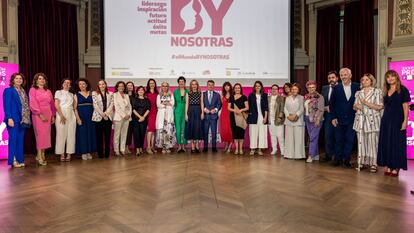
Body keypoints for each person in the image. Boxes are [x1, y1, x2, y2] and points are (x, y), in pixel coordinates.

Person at [378, 70, 410, 177]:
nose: (390, 79)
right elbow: (384, 106)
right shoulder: (386, 90)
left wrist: (405, 121)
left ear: (396, 77)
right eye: (388, 77)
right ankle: (388, 164)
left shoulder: (403, 89)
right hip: (386, 120)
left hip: (398, 120)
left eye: (392, 76)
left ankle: (396, 166)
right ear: (386, 79)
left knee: (397, 143)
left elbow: (406, 107)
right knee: (387, 142)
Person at [353, 74, 383, 172]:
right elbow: (354, 106)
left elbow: (380, 106)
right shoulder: (358, 92)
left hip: (372, 120)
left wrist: (366, 103)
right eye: (363, 80)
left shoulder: (376, 92)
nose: (364, 81)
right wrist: (357, 106)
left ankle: (373, 163)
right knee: (361, 142)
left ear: (371, 81)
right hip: (360, 120)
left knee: (372, 142)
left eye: (367, 79)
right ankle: (362, 162)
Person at [329, 68, 359, 167]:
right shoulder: (336, 88)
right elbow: (332, 104)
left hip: (352, 119)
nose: (343, 77)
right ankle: (338, 159)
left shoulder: (357, 87)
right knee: (338, 140)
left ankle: (346, 159)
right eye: (342, 75)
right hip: (338, 119)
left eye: (345, 75)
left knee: (349, 140)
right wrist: (333, 117)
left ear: (350, 75)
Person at [3, 73, 31, 168]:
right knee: (13, 140)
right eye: (17, 78)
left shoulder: (23, 91)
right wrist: (9, 118)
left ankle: (20, 159)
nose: (19, 80)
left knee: (20, 140)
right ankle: (13, 160)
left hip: (23, 120)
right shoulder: (8, 91)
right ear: (13, 80)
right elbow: (6, 106)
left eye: (20, 78)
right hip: (13, 119)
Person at [29, 73, 55, 166]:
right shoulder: (33, 90)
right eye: (40, 79)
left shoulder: (48, 91)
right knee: (40, 135)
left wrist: (53, 116)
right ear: (36, 80)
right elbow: (32, 103)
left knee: (46, 136)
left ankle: (42, 154)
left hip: (48, 114)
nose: (42, 80)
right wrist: (40, 114)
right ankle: (40, 155)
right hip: (38, 115)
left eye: (43, 79)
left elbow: (52, 104)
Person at [74, 78, 97, 160]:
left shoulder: (91, 94)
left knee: (90, 134)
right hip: (81, 117)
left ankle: (89, 152)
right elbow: (75, 108)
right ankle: (83, 152)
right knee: (82, 134)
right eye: (80, 84)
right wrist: (78, 119)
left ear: (86, 85)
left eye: (83, 84)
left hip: (91, 117)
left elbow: (95, 106)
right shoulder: (76, 95)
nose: (82, 85)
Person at [55, 78, 76, 162]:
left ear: (70, 85)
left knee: (71, 134)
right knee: (61, 134)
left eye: (68, 83)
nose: (66, 84)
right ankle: (61, 153)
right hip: (61, 112)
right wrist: (61, 115)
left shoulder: (72, 94)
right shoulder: (58, 92)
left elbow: (74, 106)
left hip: (71, 113)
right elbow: (56, 104)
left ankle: (69, 153)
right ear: (62, 84)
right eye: (65, 82)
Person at [92, 80, 114, 159]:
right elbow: (95, 105)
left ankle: (107, 153)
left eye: (103, 84)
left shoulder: (111, 94)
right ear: (98, 86)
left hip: (108, 118)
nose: (102, 85)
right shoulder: (94, 93)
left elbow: (112, 104)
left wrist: (106, 114)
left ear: (105, 85)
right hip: (98, 117)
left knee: (107, 137)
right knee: (99, 137)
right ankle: (100, 154)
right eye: (100, 84)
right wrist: (102, 114)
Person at [304, 80, 324, 163]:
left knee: (312, 138)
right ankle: (316, 155)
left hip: (316, 119)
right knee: (313, 138)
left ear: (315, 87)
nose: (311, 89)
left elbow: (321, 109)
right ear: (307, 88)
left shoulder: (319, 97)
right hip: (307, 119)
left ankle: (310, 155)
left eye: (313, 87)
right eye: (309, 87)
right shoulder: (306, 96)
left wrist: (318, 119)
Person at [284, 83, 305, 159]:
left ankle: (299, 155)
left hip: (298, 120)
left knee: (298, 138)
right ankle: (288, 155)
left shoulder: (301, 98)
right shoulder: (287, 98)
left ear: (298, 90)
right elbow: (285, 108)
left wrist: (296, 116)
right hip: (289, 120)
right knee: (289, 138)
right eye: (292, 89)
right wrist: (288, 116)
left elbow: (302, 108)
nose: (294, 90)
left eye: (295, 89)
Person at [321, 71, 339, 162]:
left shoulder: (341, 87)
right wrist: (324, 108)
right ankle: (328, 155)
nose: (331, 79)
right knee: (328, 136)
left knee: (338, 136)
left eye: (333, 77)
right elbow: (321, 102)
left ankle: (337, 156)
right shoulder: (324, 88)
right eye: (329, 78)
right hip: (328, 116)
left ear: (337, 78)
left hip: (339, 116)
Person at [247, 81, 268, 155]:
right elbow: (248, 107)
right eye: (256, 86)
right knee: (253, 133)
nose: (257, 87)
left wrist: (265, 117)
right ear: (254, 87)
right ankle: (252, 149)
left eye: (259, 86)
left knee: (262, 133)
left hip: (262, 117)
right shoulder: (251, 95)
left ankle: (259, 149)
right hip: (253, 117)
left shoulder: (264, 95)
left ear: (261, 87)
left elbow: (266, 108)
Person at [228, 83, 249, 155]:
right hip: (233, 117)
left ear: (240, 89)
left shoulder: (244, 97)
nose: (237, 89)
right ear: (234, 89)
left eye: (238, 88)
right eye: (236, 88)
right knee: (235, 133)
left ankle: (241, 149)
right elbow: (229, 108)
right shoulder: (231, 97)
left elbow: (247, 107)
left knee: (241, 133)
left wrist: (240, 110)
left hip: (241, 117)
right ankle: (237, 149)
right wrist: (234, 110)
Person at [156, 81, 176, 153]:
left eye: (166, 86)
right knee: (162, 132)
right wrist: (166, 104)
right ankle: (163, 147)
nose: (164, 87)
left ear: (168, 87)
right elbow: (158, 105)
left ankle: (167, 147)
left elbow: (173, 104)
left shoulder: (171, 95)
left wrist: (164, 103)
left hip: (169, 116)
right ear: (161, 87)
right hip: (161, 116)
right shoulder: (159, 95)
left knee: (168, 132)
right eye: (163, 86)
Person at [113, 81, 132, 156]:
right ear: (117, 87)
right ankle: (116, 150)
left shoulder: (126, 95)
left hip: (127, 117)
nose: (121, 87)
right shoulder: (115, 95)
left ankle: (122, 149)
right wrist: (124, 115)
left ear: (124, 87)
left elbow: (130, 106)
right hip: (119, 117)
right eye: (119, 86)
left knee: (124, 134)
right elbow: (117, 107)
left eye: (122, 86)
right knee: (117, 135)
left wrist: (129, 114)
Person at [185, 80, 204, 153]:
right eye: (192, 84)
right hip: (190, 111)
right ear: (191, 85)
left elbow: (202, 103)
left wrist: (202, 113)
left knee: (197, 128)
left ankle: (197, 145)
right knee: (191, 128)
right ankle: (192, 146)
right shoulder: (188, 93)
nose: (194, 86)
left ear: (197, 85)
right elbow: (187, 104)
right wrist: (186, 114)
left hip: (198, 110)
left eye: (195, 84)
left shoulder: (200, 93)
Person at [203, 80, 221, 153]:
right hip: (206, 116)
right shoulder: (203, 94)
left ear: (214, 86)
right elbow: (201, 103)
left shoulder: (217, 95)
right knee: (205, 132)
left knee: (214, 132)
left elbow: (219, 104)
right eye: (209, 84)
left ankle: (214, 147)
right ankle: (205, 147)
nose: (210, 86)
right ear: (207, 85)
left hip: (214, 116)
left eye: (212, 85)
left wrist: (216, 109)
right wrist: (204, 109)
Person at [131, 86, 150, 156]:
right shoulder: (134, 99)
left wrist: (143, 117)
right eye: (139, 90)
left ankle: (141, 148)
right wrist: (139, 117)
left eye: (142, 90)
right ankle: (137, 149)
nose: (141, 91)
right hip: (136, 119)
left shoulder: (147, 100)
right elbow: (133, 109)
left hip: (144, 119)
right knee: (136, 134)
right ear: (137, 91)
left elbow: (148, 109)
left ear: (144, 91)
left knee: (142, 134)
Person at [268, 84, 285, 156]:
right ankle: (274, 149)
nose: (274, 90)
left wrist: (280, 117)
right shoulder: (268, 98)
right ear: (271, 90)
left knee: (280, 135)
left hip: (278, 119)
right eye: (273, 89)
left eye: (276, 89)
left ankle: (282, 150)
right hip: (270, 119)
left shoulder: (281, 98)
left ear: (278, 90)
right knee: (272, 135)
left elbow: (282, 109)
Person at [173, 76, 188, 153]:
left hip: (185, 111)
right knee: (178, 128)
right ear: (178, 83)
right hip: (177, 112)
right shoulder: (175, 92)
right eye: (180, 82)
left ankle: (183, 145)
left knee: (184, 128)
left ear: (185, 83)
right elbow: (173, 103)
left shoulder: (187, 91)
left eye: (183, 81)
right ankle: (179, 146)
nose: (181, 83)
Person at [220, 82, 234, 153]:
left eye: (228, 86)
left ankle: (230, 146)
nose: (226, 87)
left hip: (230, 114)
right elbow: (220, 105)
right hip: (223, 114)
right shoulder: (222, 95)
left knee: (230, 130)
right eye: (225, 86)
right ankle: (226, 146)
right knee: (224, 130)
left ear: (230, 87)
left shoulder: (233, 95)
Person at [146, 79, 158, 154]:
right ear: (148, 84)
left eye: (153, 83)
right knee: (150, 130)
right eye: (150, 83)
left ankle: (152, 147)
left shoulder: (157, 94)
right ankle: (148, 147)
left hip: (157, 113)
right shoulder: (146, 94)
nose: (152, 84)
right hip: (150, 113)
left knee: (153, 131)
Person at [125, 81, 135, 154]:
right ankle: (124, 147)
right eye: (128, 85)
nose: (130, 87)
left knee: (130, 133)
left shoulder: (135, 96)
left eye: (131, 85)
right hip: (126, 116)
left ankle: (127, 147)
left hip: (134, 117)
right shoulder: (124, 95)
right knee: (125, 132)